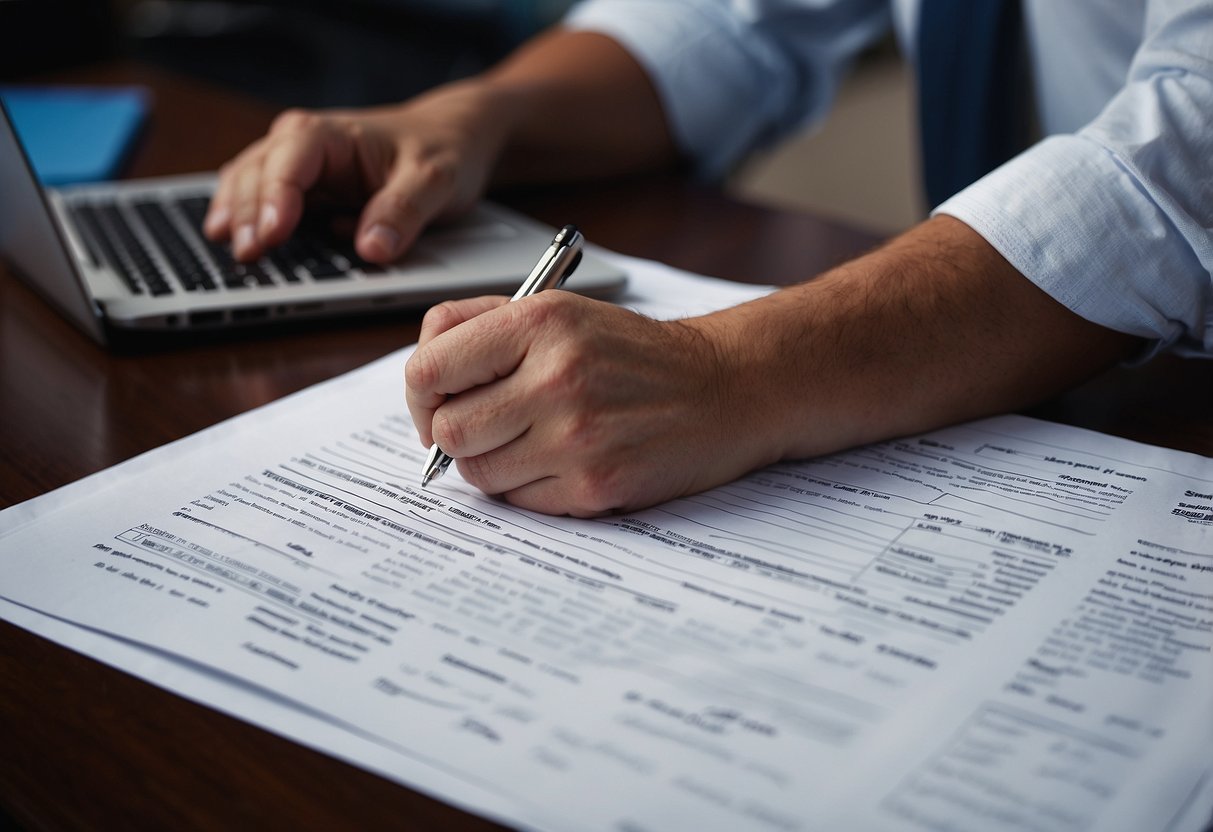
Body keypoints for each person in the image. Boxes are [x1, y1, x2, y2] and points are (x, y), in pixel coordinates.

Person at [203, 0, 1213, 517]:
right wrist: (469, 118)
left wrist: (730, 374)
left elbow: (1185, 153)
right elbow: (731, 20)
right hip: (1028, 402)